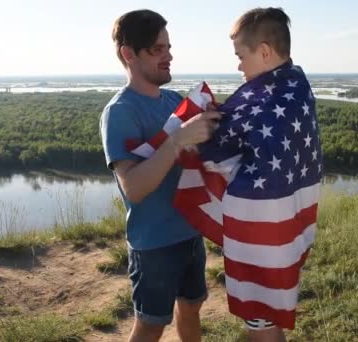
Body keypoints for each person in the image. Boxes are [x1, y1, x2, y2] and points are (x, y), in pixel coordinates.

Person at [194, 7, 322, 342]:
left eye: (240, 56)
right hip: (288, 230)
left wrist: (203, 129)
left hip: (262, 241)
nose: (238, 66)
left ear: (264, 51)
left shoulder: (266, 102)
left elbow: (218, 150)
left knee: (261, 322)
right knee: (267, 319)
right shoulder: (296, 86)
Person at [99, 9, 220, 342]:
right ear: (128, 54)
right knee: (151, 325)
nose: (169, 56)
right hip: (153, 244)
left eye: (168, 47)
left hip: (189, 232)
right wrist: (178, 139)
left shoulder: (173, 101)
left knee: (192, 307)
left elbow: (196, 155)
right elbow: (134, 188)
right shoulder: (120, 112)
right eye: (157, 49)